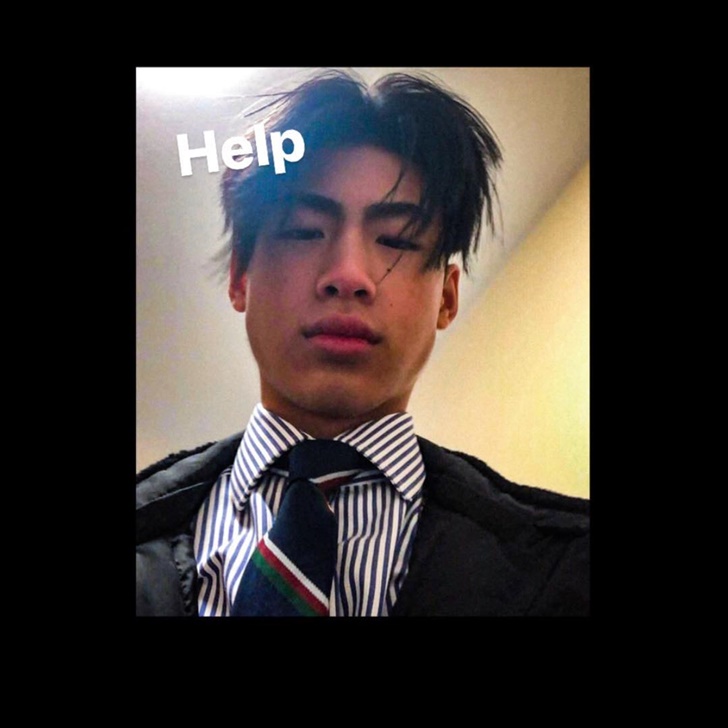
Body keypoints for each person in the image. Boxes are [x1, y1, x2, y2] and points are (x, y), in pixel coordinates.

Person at [136, 69, 589, 617]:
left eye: (397, 239)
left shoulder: (571, 566)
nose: (348, 274)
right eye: (304, 230)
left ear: (447, 299)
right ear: (240, 278)